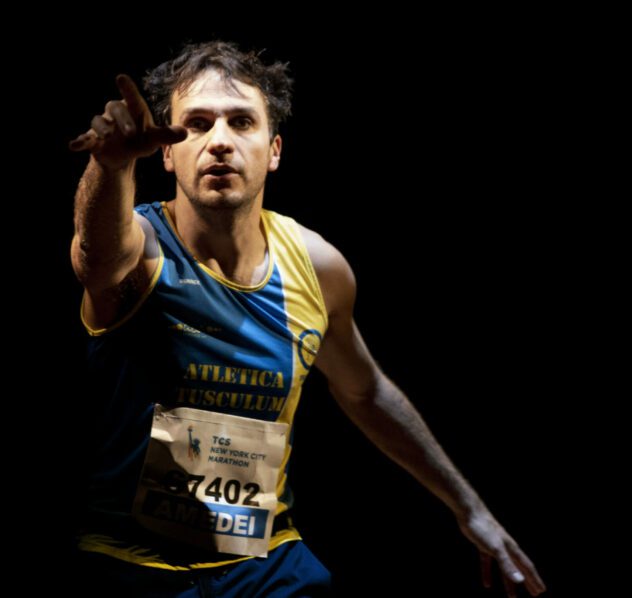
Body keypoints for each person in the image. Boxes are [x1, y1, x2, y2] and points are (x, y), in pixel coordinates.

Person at [67, 40, 546, 597]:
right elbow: (97, 258)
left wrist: (470, 509)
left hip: (265, 566)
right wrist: (111, 164)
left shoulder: (316, 267)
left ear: (273, 150)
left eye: (240, 121)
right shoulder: (141, 249)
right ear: (168, 153)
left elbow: (366, 391)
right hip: (133, 565)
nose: (219, 140)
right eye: (196, 124)